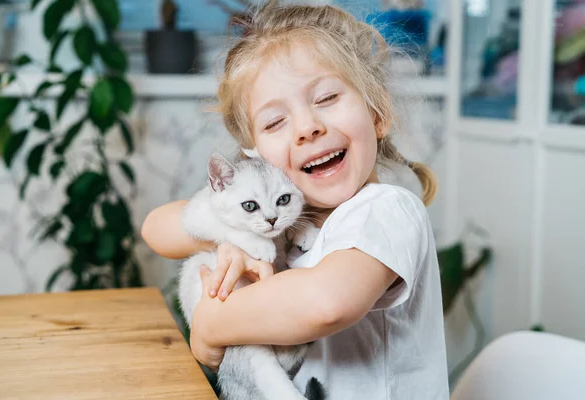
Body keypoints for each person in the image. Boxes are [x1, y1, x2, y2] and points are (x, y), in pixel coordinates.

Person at [141, 2, 449, 398]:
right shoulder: (285, 219)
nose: (306, 128)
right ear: (256, 156)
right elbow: (157, 228)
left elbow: (326, 303)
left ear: (377, 113)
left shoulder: (386, 209)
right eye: (275, 122)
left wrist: (210, 323)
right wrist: (232, 240)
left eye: (326, 99)